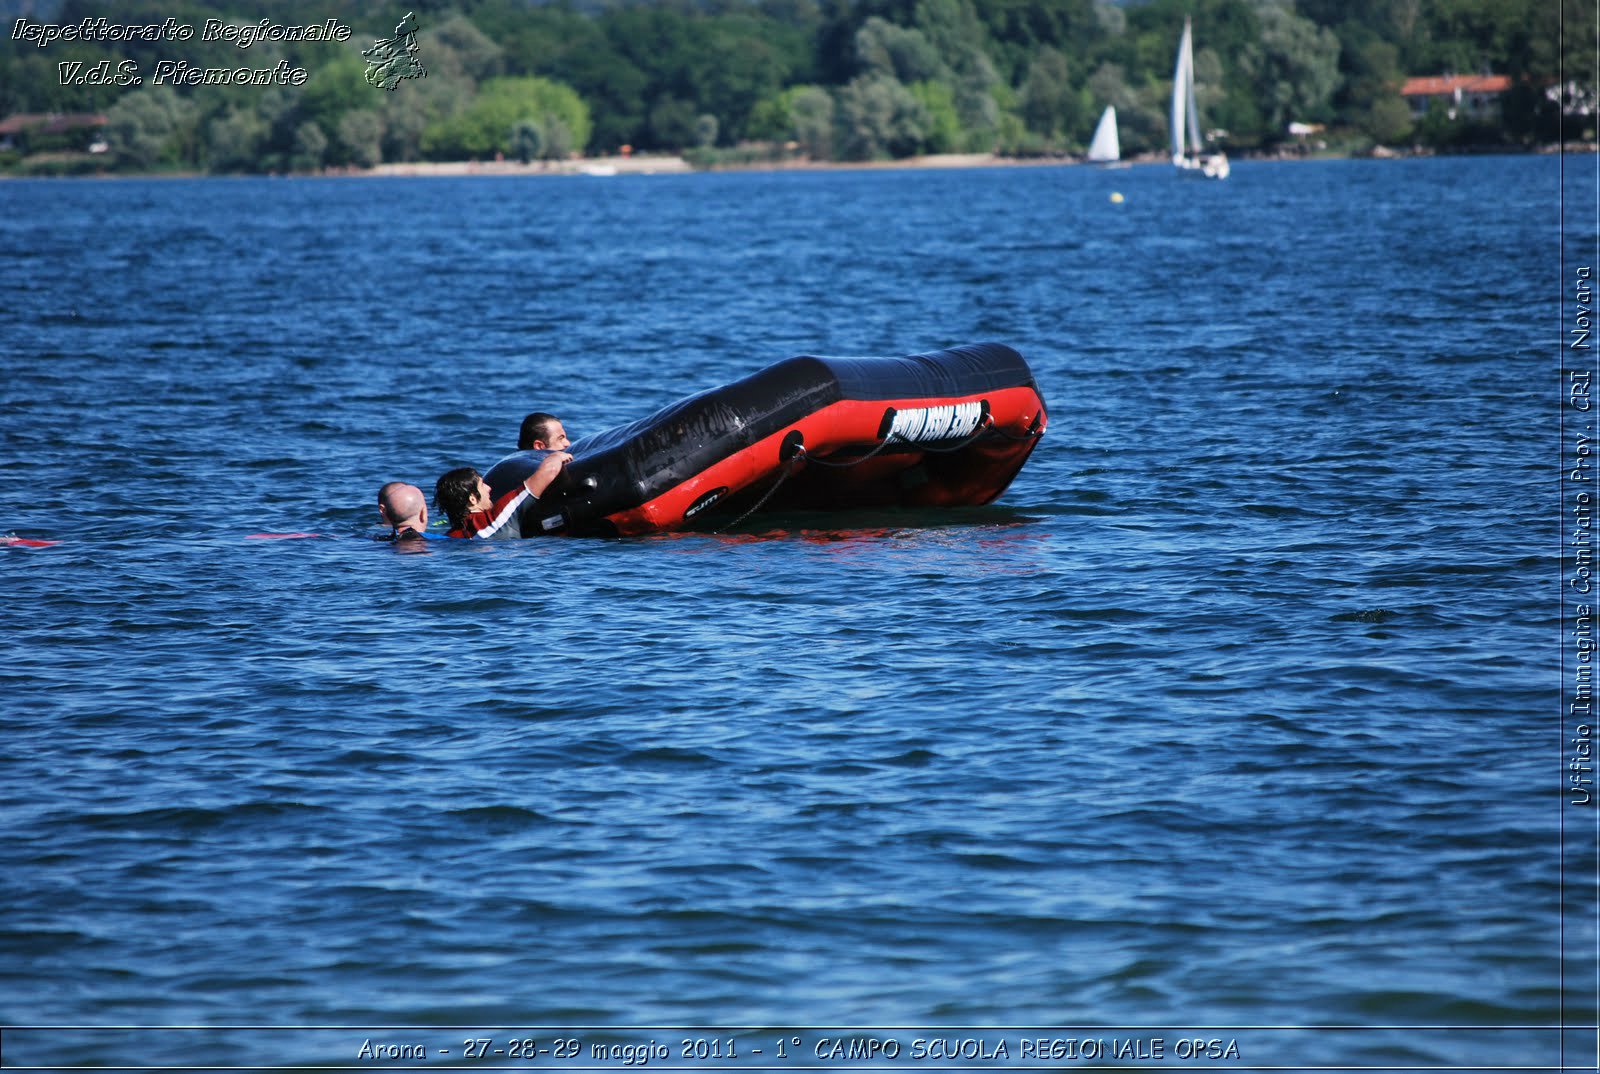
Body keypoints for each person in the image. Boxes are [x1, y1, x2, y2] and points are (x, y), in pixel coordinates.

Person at [436, 451, 571, 539]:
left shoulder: (451, 537)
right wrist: (555, 456)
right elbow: (550, 471)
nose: (489, 488)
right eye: (482, 485)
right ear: (472, 499)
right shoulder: (495, 519)